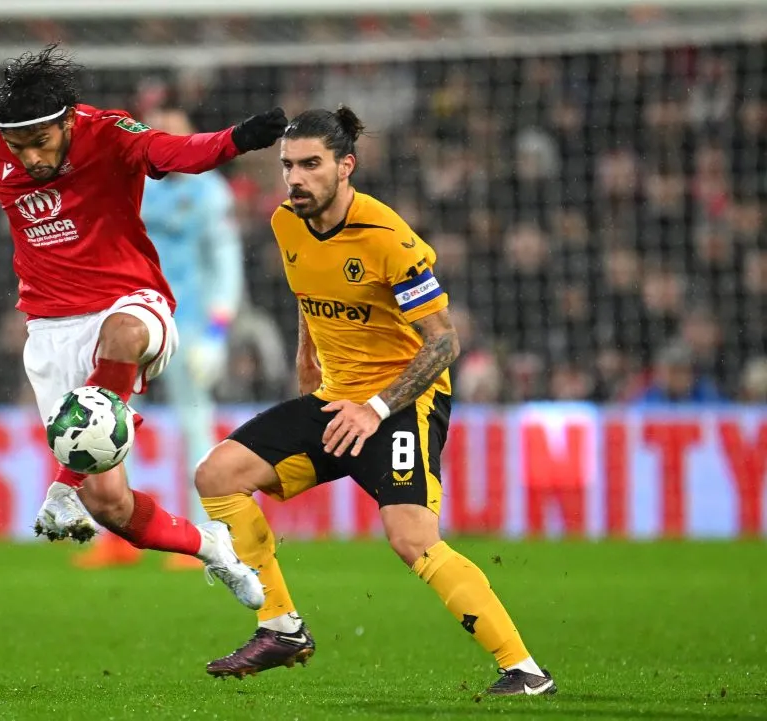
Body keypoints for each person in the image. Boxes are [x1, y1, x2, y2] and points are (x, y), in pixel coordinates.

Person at [193, 107, 557, 695]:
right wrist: (306, 358)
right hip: (338, 401)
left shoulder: (386, 237)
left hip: (402, 402)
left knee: (411, 538)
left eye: (311, 164)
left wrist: (377, 409)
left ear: (346, 166)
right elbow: (313, 295)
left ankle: (524, 671)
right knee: (218, 474)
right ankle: (281, 626)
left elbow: (445, 343)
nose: (296, 178)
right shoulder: (286, 222)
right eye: (288, 166)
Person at [0, 44, 287, 611]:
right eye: (18, 148)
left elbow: (173, 152)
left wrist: (236, 139)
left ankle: (63, 486)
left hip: (134, 303)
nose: (30, 160)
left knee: (124, 338)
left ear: (68, 122)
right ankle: (210, 547)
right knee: (111, 505)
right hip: (50, 330)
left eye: (40, 144)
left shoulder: (110, 132)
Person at [74, 107, 245, 570]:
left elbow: (226, 262)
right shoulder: (128, 181)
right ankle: (115, 536)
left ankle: (206, 535)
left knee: (195, 425)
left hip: (187, 325)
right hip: (130, 324)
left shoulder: (210, 192)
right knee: (111, 426)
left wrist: (217, 331)